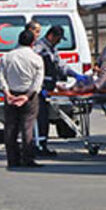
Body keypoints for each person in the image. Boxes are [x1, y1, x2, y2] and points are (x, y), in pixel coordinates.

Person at [0, 28, 45, 169]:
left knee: (10, 127)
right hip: (29, 96)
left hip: (11, 94)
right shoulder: (36, 58)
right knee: (28, 127)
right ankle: (28, 158)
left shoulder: (7, 57)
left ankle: (12, 159)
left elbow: (1, 76)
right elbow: (38, 82)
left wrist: (7, 93)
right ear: (33, 42)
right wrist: (27, 96)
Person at [34, 25, 69, 157]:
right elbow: (36, 68)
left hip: (48, 88)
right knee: (39, 118)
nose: (59, 41)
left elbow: (60, 65)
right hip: (40, 88)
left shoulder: (52, 49)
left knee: (44, 117)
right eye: (58, 38)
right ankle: (38, 145)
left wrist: (74, 74)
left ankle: (42, 144)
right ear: (51, 36)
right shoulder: (40, 48)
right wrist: (41, 87)